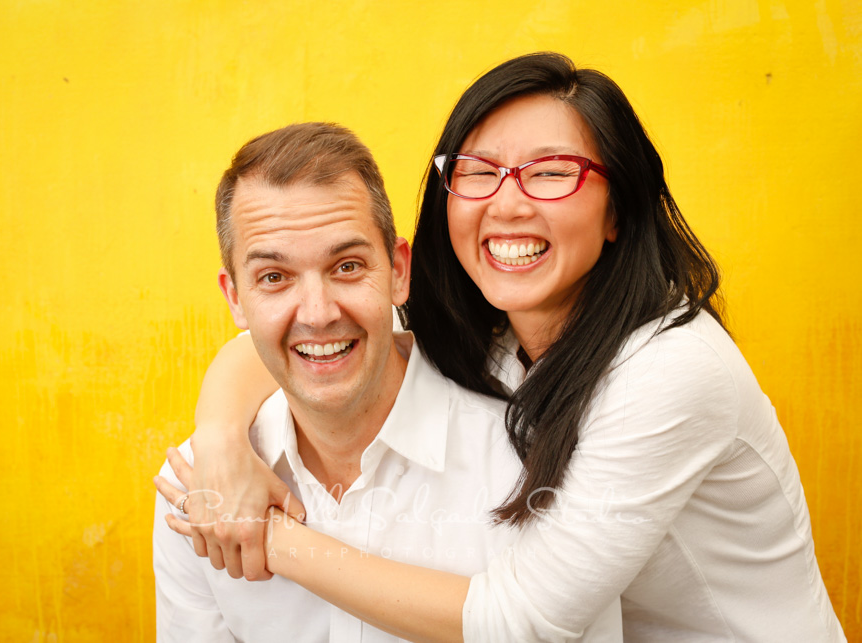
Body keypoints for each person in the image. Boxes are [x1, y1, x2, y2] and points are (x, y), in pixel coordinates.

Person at [156, 54, 846, 641]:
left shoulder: (670, 372)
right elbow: (306, 339)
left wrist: (263, 535)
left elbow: (521, 618)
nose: (508, 204)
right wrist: (219, 443)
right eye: (480, 171)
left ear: (617, 210)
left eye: (551, 172)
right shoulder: (491, 331)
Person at [153, 122, 622, 641]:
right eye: (274, 277)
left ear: (399, 271)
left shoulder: (528, 463)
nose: (318, 312)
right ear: (235, 298)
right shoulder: (198, 486)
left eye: (348, 266)